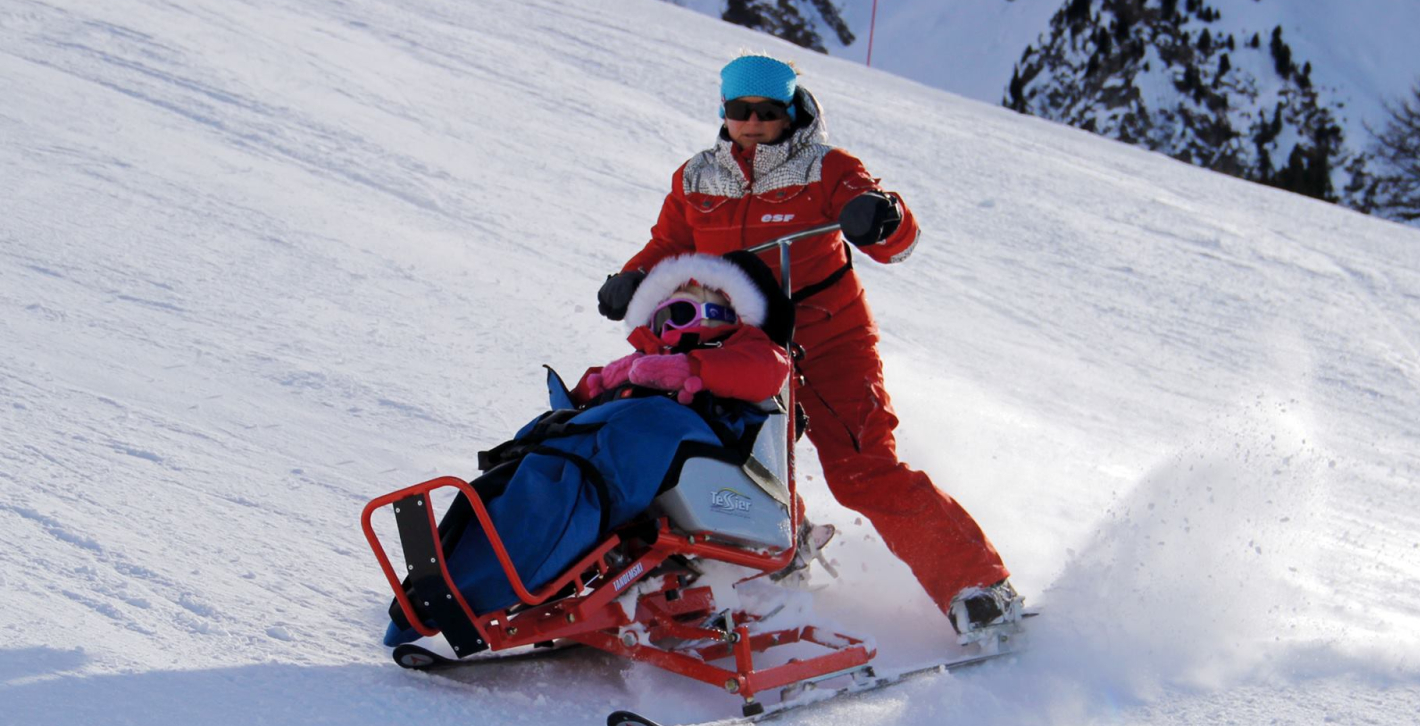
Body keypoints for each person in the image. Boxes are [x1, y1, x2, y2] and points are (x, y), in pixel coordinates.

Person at [596, 53, 1021, 639]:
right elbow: (669, 244)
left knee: (860, 470)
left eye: (766, 111)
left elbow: (899, 238)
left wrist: (880, 216)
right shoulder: (697, 177)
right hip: (742, 345)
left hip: (829, 340)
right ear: (724, 112)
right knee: (729, 458)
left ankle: (978, 586)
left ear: (790, 110)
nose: (752, 122)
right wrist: (632, 279)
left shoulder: (826, 168)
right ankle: (771, 563)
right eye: (740, 110)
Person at [384, 252, 790, 647]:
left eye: (682, 315)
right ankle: (448, 579)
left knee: (572, 485)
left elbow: (763, 371)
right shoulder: (644, 362)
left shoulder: (748, 351)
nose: (670, 331)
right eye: (661, 319)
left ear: (725, 315)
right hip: (632, 455)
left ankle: (483, 584)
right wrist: (599, 387)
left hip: (695, 458)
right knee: (535, 462)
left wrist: (692, 369)